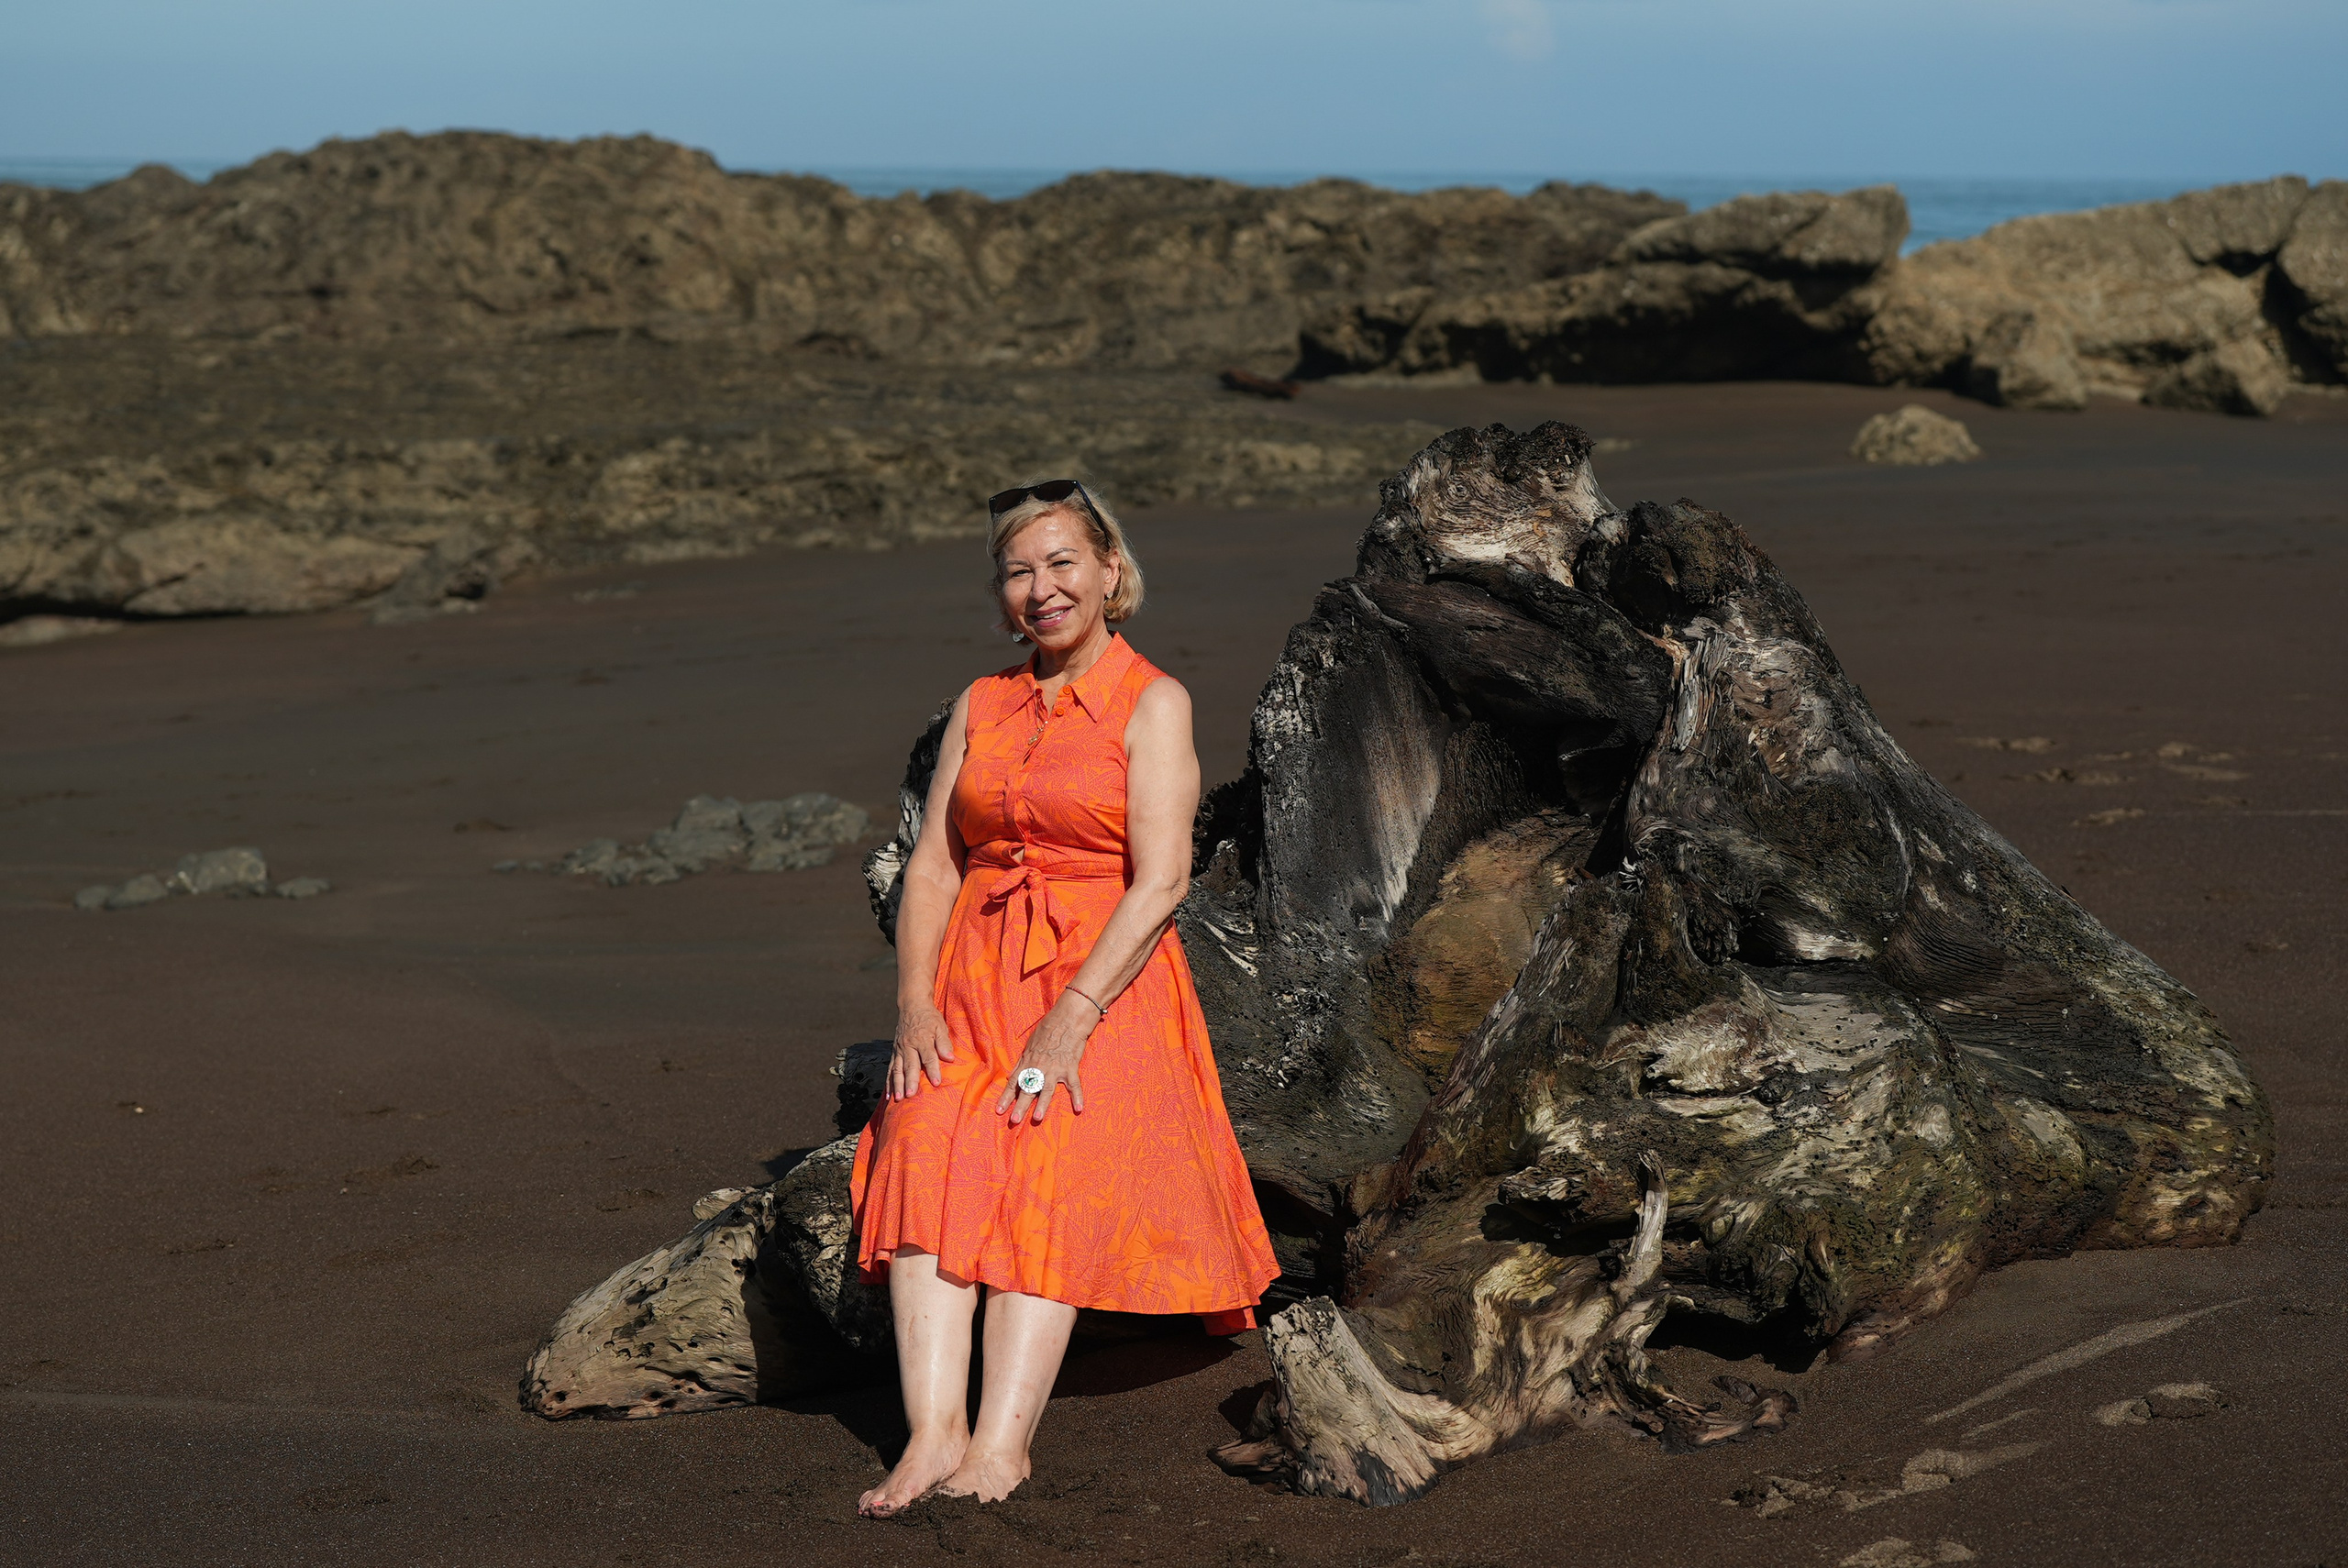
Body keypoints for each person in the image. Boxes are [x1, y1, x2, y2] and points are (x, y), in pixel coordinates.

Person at [850, 478, 1279, 1516]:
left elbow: (1162, 881)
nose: (1041, 589)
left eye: (1061, 564)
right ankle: (930, 1433)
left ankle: (1002, 1442)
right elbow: (936, 871)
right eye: (1017, 572)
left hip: (1103, 981)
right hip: (975, 970)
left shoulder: (1152, 699)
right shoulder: (981, 704)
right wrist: (914, 1003)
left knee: (1046, 1151)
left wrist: (1073, 1013)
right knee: (922, 1141)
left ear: (1110, 573)